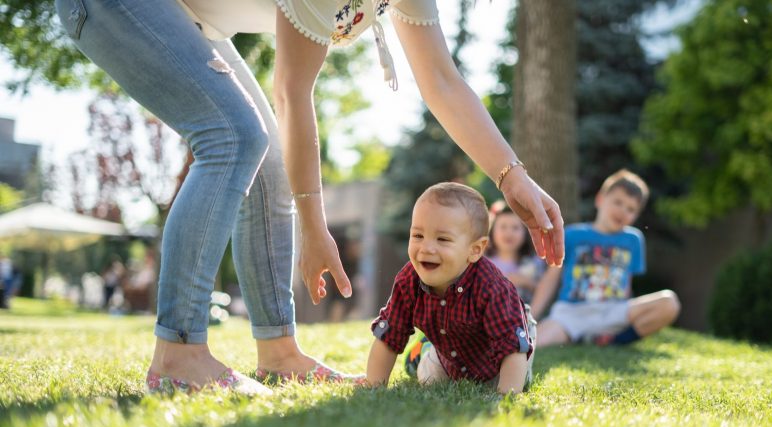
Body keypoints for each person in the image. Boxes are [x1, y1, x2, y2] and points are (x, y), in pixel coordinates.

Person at [55, 0, 563, 395]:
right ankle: (179, 355)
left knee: (269, 153)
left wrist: (511, 176)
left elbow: (442, 82)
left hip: (183, 15)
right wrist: (313, 226)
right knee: (234, 135)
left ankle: (277, 351)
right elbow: (292, 91)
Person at [365, 183, 535, 394]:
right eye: (418, 236)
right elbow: (389, 335)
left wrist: (506, 397)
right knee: (430, 379)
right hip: (450, 357)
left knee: (519, 381)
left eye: (443, 239)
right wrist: (373, 386)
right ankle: (423, 352)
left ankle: (425, 349)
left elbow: (512, 348)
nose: (426, 248)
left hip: (500, 359)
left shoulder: (493, 287)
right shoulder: (408, 281)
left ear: (474, 250)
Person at [531, 170, 681, 347]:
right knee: (534, 342)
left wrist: (628, 313)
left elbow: (627, 284)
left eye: (631, 209)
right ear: (600, 199)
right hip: (572, 313)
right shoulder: (572, 235)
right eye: (618, 202)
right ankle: (583, 336)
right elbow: (551, 279)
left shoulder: (633, 240)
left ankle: (613, 341)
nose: (623, 211)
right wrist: (531, 316)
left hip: (613, 311)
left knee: (669, 302)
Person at [487, 202, 547, 305]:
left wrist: (526, 282)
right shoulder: (484, 262)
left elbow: (545, 291)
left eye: (515, 228)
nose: (509, 233)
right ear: (492, 231)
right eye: (503, 227)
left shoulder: (534, 262)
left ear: (525, 233)